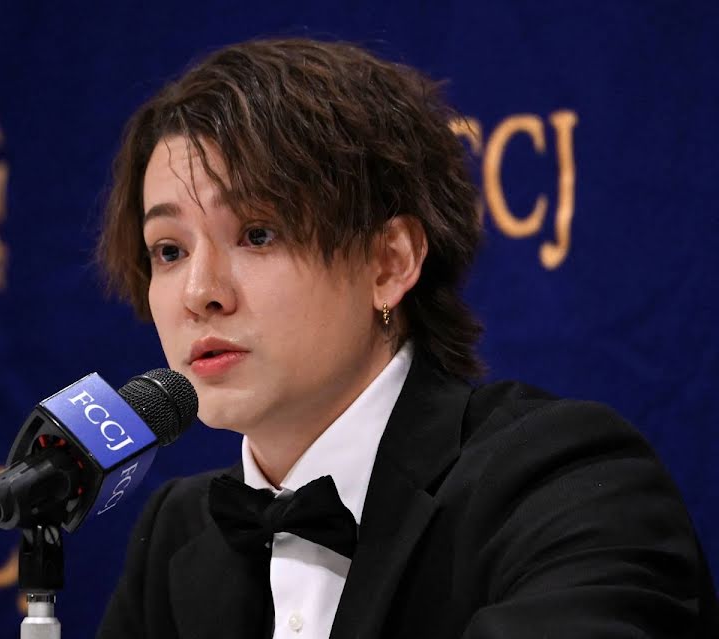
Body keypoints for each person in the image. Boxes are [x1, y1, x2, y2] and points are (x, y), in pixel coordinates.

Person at [94, 38, 718, 638]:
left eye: (258, 234)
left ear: (389, 263)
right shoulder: (177, 534)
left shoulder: (561, 479)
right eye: (169, 251)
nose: (199, 292)